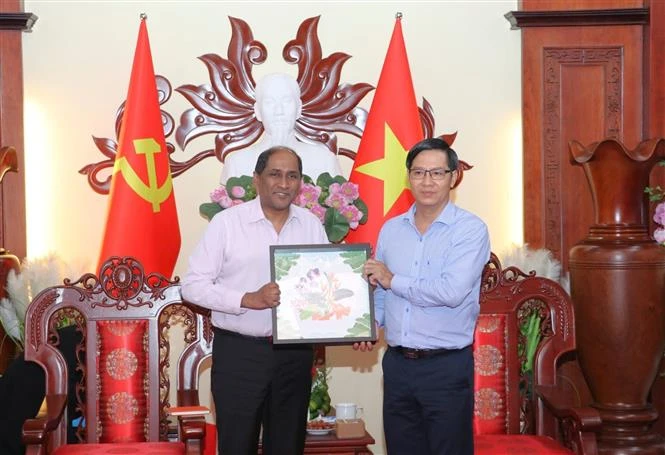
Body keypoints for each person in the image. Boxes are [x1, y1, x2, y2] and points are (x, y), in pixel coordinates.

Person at [182, 146, 329, 454]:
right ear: (257, 180)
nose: (284, 183)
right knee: (237, 445)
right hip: (240, 354)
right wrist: (247, 299)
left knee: (288, 445)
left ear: (301, 183)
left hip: (294, 355)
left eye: (292, 176)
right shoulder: (226, 224)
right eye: (275, 174)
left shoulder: (311, 225)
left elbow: (326, 285)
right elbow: (192, 287)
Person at [359, 137, 490, 454]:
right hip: (398, 365)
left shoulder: (470, 230)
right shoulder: (391, 229)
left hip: (444, 367)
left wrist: (393, 280)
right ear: (408, 177)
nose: (427, 182)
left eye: (437, 173)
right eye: (418, 173)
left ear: (453, 176)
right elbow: (379, 288)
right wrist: (369, 323)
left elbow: (451, 291)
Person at [220, 72, 343, 184]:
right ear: (258, 111)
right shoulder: (236, 163)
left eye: (287, 101)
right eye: (269, 102)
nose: (279, 111)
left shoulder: (325, 161)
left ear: (299, 108)